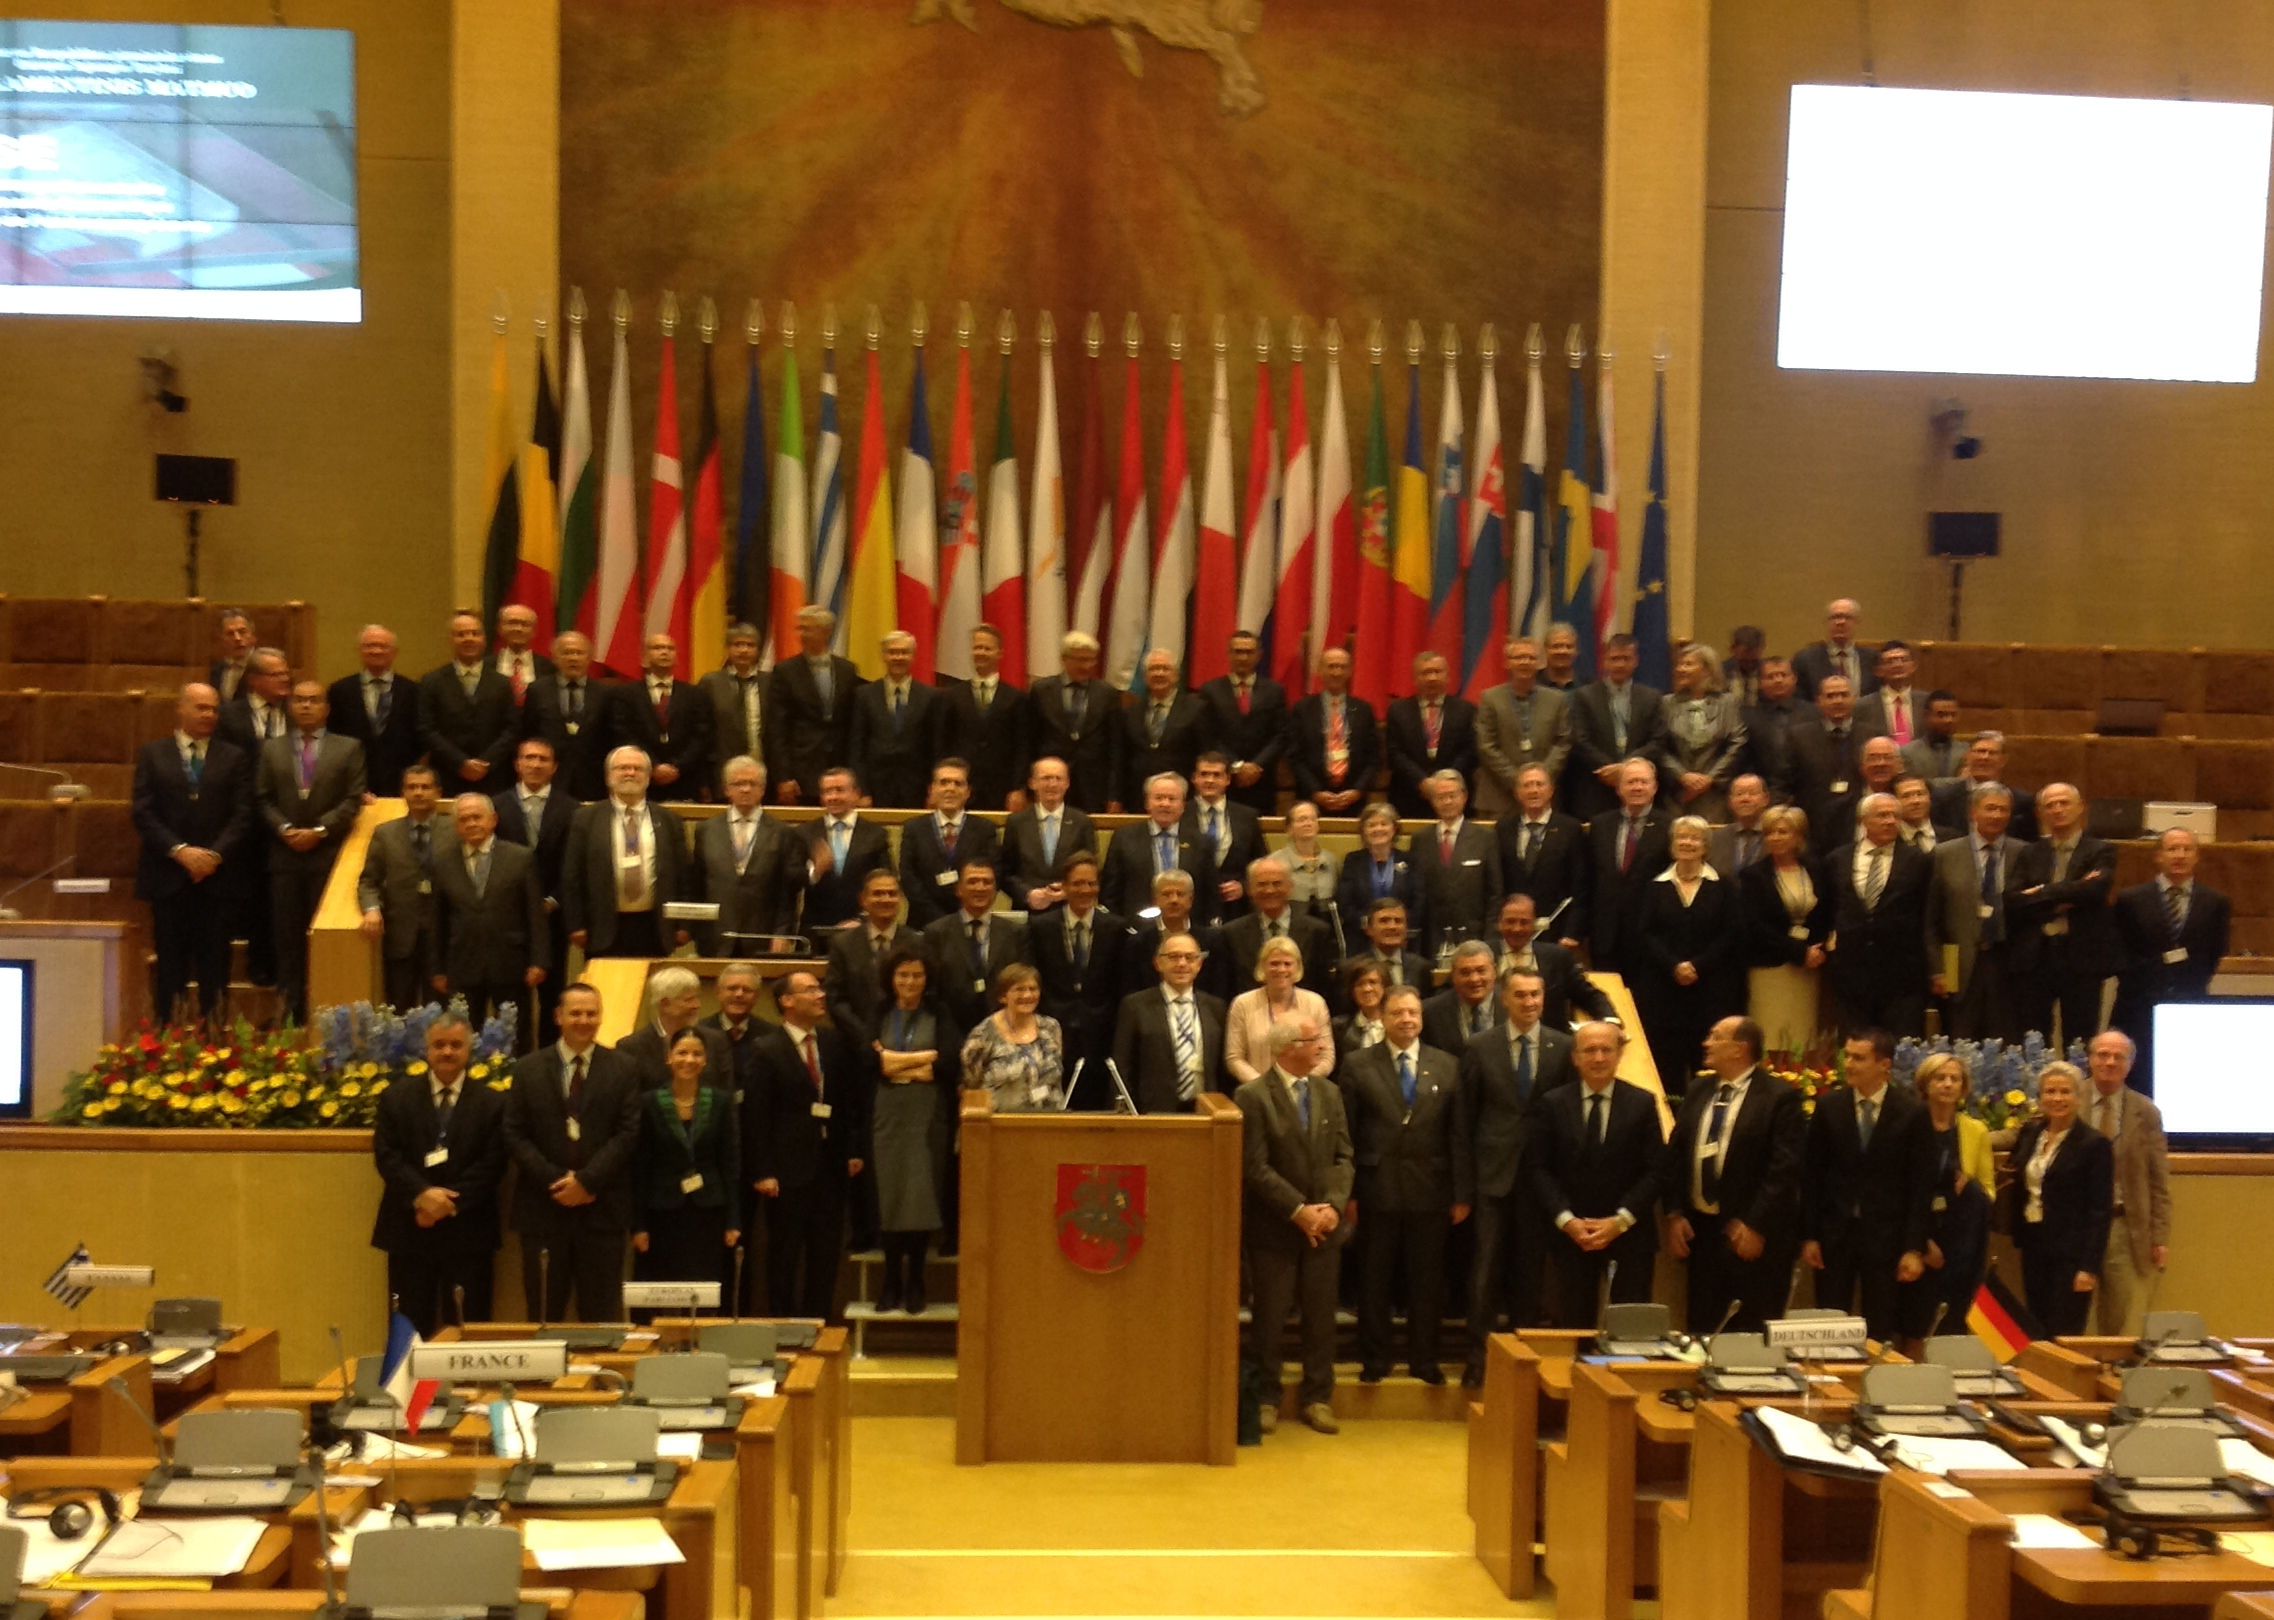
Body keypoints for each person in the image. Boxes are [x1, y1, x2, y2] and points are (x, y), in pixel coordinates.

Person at [1342, 982, 1466, 1383]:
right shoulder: (1358, 1064)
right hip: (1376, 1191)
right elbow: (1347, 1134)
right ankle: (1375, 1360)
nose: (1407, 1019)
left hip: (1432, 1192)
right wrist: (1350, 1193)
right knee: (1374, 1281)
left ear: (1422, 1017)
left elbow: (1458, 1134)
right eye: (1398, 1013)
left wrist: (1461, 1193)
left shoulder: (1448, 1064)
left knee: (1426, 1282)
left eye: (1413, 1013)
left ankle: (1424, 1360)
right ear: (1384, 1017)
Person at [1237, 1014, 1353, 1435]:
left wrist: (1332, 1208)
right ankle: (1266, 1397)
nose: (1321, 1046)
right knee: (1269, 1318)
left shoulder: (1330, 1092)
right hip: (1275, 1229)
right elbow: (1255, 1166)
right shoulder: (1252, 1096)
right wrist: (1298, 1210)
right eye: (1312, 1040)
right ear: (1288, 1048)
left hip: (1324, 1228)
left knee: (1321, 1318)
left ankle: (1318, 1398)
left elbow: (1343, 1157)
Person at [504, 981, 642, 1322]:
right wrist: (557, 1181)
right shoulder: (527, 1069)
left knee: (601, 1317)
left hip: (602, 1211)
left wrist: (587, 1182)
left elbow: (628, 1133)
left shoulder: (624, 1068)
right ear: (558, 1016)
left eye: (591, 1013)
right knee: (544, 1314)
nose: (584, 1020)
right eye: (575, 1013)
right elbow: (514, 1133)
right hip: (543, 1210)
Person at [1459, 967, 1573, 1379]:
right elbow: (1464, 1121)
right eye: (1521, 995)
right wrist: (1463, 1186)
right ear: (1504, 999)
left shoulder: (1564, 1047)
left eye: (1536, 995)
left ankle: (1523, 1361)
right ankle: (1478, 1359)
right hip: (1492, 1176)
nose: (1529, 1002)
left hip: (1542, 1180)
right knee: (1485, 1270)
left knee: (1531, 1272)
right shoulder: (1479, 1047)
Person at [1660, 1016, 1805, 1334]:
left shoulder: (1780, 1097)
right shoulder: (1699, 1089)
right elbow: (1675, 1156)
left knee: (1749, 1336)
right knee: (1703, 1331)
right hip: (1703, 1235)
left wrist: (1756, 1224)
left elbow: (1784, 1170)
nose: (1706, 1043)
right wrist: (1674, 1213)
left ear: (1740, 1049)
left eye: (1716, 1037)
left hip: (1753, 1238)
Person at [369, 1010, 507, 1336]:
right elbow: (387, 1157)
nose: (447, 1052)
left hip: (469, 1233)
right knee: (407, 1330)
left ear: (469, 1050)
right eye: (440, 1045)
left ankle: (466, 1389)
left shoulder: (492, 1103)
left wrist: (446, 1205)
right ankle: (408, 1389)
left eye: (456, 1045)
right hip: (409, 1230)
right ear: (426, 1049)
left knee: (466, 1327)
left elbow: (493, 1164)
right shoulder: (396, 1097)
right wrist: (421, 1196)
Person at [749, 969, 871, 1319]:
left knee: (825, 1255)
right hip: (785, 1176)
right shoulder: (767, 1049)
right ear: (786, 1001)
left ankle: (820, 1324)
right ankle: (783, 1327)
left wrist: (852, 1150)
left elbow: (847, 1104)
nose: (820, 996)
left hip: (830, 1169)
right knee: (784, 1256)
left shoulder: (832, 1043)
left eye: (820, 989)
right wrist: (763, 1171)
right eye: (810, 990)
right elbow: (757, 1117)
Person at [1528, 1020, 1663, 1330]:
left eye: (1606, 1050)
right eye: (1590, 1050)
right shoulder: (1552, 1104)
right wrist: (1567, 1221)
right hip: (1571, 1235)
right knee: (1574, 1328)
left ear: (1618, 1055)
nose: (1599, 1058)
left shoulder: (1642, 1103)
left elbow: (1656, 1171)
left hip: (1629, 1235)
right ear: (1575, 1057)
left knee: (1631, 1330)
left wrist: (1620, 1221)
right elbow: (1538, 1169)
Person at [1799, 1030, 1931, 1343]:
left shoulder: (1912, 1113)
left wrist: (1914, 1247)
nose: (1850, 1064)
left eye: (1859, 1058)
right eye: (1848, 1056)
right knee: (1830, 1322)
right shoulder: (1830, 1107)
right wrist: (1809, 1235)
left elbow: (1920, 1186)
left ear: (1884, 1065)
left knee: (1881, 1323)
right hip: (1835, 1233)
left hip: (1887, 1236)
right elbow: (1812, 1176)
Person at [258, 680, 366, 1023]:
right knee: (287, 939)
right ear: (291, 707)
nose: (306, 706)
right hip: (284, 856)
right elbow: (262, 798)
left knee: (322, 939)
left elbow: (353, 799)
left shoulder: (348, 748)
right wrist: (285, 830)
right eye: (300, 700)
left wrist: (320, 831)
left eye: (314, 700)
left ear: (326, 708)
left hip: (328, 856)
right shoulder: (271, 749)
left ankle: (325, 1012)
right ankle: (290, 1014)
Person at [1999, 1061, 2114, 1337]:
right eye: (2050, 1092)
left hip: (2071, 1255)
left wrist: (2089, 1267)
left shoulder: (2094, 1144)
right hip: (2034, 1245)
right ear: (2040, 1098)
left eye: (2065, 1092)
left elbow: (2100, 1211)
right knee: (2036, 1327)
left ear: (2079, 1097)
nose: (2057, 1098)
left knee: (2064, 1330)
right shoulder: (2031, 1133)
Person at [2111, 828, 2230, 1090]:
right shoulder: (2131, 900)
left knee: (2185, 1077)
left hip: (2190, 1001)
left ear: (2197, 857)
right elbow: (2120, 951)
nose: (2180, 855)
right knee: (2136, 1078)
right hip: (2138, 1005)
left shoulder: (2215, 902)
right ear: (2158, 856)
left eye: (2187, 849)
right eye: (2173, 849)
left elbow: (2214, 952)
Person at [872, 944, 956, 1313]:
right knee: (890, 1196)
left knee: (920, 1195)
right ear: (891, 979)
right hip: (887, 1114)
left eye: (917, 975)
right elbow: (873, 1064)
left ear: (927, 979)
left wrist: (896, 1062)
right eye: (903, 975)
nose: (910, 981)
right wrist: (923, 1060)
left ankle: (917, 1281)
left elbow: (949, 1061)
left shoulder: (940, 1012)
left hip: (927, 1115)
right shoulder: (877, 1013)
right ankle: (890, 1280)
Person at [1630, 816, 1742, 1096]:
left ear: (1705, 847)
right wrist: (1674, 966)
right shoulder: (1654, 886)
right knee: (1666, 1066)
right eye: (1681, 837)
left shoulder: (1723, 885)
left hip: (1711, 990)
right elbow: (1645, 933)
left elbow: (1731, 934)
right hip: (1663, 991)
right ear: (1672, 844)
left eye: (1694, 838)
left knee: (1707, 1065)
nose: (1687, 842)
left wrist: (1697, 966)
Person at [631, 1028, 743, 1299]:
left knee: (706, 1288)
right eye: (682, 1052)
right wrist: (639, 1225)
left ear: (705, 1060)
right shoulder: (649, 1103)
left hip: (709, 1211)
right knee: (661, 1289)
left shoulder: (720, 1102)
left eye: (697, 1054)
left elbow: (730, 1163)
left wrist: (733, 1221)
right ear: (669, 1058)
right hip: (662, 1211)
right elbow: (640, 1166)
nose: (689, 1060)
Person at [2008, 782, 2119, 1050]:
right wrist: (2069, 894)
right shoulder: (2029, 852)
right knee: (2033, 1040)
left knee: (2079, 1040)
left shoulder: (2101, 850)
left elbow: (2095, 892)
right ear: (2041, 813)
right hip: (2036, 958)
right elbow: (2014, 901)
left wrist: (2042, 892)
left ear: (2081, 808)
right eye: (2050, 805)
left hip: (2082, 958)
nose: (2057, 809)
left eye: (2064, 803)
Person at [1899, 1053, 1995, 1345]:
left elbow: (1989, 1192)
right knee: (1915, 1323)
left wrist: (1971, 1184)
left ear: (1964, 1088)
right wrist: (1921, 1244)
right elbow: (1898, 1189)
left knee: (1952, 1322)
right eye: (1940, 1078)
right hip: (1918, 1237)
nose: (1947, 1084)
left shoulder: (1975, 1130)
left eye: (1955, 1079)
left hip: (1960, 1242)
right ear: (1925, 1085)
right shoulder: (1909, 1125)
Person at [430, 793, 546, 1029]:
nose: (471, 823)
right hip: (462, 965)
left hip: (511, 963)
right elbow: (436, 920)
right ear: (456, 826)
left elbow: (535, 914)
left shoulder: (520, 857)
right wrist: (437, 969)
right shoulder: (442, 862)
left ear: (493, 820)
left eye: (477, 817)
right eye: (464, 819)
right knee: (464, 1033)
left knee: (515, 1034)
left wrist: (539, 961)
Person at [561, 747, 689, 960]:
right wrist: (576, 924)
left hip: (655, 927)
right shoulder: (585, 819)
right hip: (602, 928)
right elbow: (571, 877)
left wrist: (684, 924)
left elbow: (684, 876)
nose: (630, 773)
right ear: (608, 776)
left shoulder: (669, 820)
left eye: (637, 768)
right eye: (622, 768)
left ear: (648, 777)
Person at [2084, 1031, 2171, 1337]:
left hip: (2122, 1225)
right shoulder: (2068, 1099)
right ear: (2090, 1059)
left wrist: (2159, 1236)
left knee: (2116, 1318)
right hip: (2076, 1227)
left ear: (2130, 1064)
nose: (2109, 1062)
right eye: (2102, 1055)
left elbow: (2159, 1179)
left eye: (2118, 1057)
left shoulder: (2146, 1112)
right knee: (2071, 1316)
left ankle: (2109, 1377)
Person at [1824, 793, 1933, 1037]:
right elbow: (1829, 909)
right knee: (1853, 1046)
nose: (1890, 821)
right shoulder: (1837, 859)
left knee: (1901, 1048)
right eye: (1882, 815)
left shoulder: (1918, 860)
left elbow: (1927, 913)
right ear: (1864, 820)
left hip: (1902, 975)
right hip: (1850, 973)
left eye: (1895, 816)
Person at [1927, 784, 2026, 1042]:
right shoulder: (1944, 854)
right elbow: (1930, 920)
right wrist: (1937, 969)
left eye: (2003, 809)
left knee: (2007, 1041)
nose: (1996, 815)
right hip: (1959, 962)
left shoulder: (2025, 852)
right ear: (1973, 812)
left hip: (2008, 961)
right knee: (1961, 1039)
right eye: (1990, 808)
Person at [493, 736, 576, 1043]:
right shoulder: (496, 806)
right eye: (529, 758)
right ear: (517, 764)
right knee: (512, 999)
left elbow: (573, 866)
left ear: (554, 767)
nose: (535, 764)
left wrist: (554, 900)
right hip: (509, 921)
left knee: (554, 995)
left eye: (543, 759)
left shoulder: (571, 809)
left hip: (553, 917)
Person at [1029, 851, 1131, 1092]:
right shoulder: (1040, 927)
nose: (1085, 890)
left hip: (1101, 1035)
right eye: (1077, 883)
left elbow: (1122, 985)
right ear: (1063, 886)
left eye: (1091, 883)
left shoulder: (1116, 928)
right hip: (1053, 1033)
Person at [694, 756, 809, 953]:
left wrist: (782, 933)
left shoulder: (783, 833)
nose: (745, 789)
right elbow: (697, 884)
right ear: (726, 789)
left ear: (763, 789)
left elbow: (787, 892)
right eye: (738, 783)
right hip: (716, 937)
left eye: (752, 784)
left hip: (763, 937)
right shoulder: (706, 830)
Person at [1739, 805, 1831, 1051]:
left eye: (1783, 832)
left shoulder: (1816, 869)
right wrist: (1799, 952)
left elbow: (1825, 913)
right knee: (1771, 1037)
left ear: (1799, 836)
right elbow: (1755, 925)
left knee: (1802, 1039)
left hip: (1808, 970)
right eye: (1770, 833)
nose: (1775, 838)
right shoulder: (1753, 875)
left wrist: (1816, 949)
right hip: (1770, 968)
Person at [357, 765, 447, 1012]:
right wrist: (372, 909)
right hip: (401, 935)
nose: (419, 793)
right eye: (412, 787)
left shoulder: (455, 831)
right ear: (403, 793)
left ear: (438, 792)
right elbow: (368, 881)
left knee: (441, 1014)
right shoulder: (385, 834)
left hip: (443, 938)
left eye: (425, 787)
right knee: (398, 1010)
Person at [1111, 932, 1227, 1112]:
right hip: (1153, 1113)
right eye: (1173, 957)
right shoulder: (1135, 1006)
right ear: (1158, 963)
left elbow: (1221, 1067)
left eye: (1189, 958)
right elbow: (1122, 1065)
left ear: (1199, 964)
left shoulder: (1216, 1007)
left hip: (1205, 1110)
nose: (1182, 964)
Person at [921, 855, 1031, 1033]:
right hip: (950, 1032)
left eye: (987, 882)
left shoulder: (1016, 933)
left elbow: (1023, 985)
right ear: (959, 889)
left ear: (995, 890)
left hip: (1005, 1031)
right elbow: (931, 990)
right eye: (972, 881)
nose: (980, 888)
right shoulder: (936, 933)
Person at [764, 605, 862, 806]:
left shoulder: (847, 670)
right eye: (800, 629)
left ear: (826, 632)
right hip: (801, 772)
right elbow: (776, 729)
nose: (801, 634)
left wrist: (856, 775)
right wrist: (783, 777)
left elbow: (855, 726)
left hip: (840, 767)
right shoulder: (785, 671)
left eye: (807, 629)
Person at [1565, 634, 1668, 821]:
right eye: (1614, 659)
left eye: (1626, 659)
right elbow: (1580, 740)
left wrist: (1627, 769)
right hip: (1597, 787)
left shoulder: (1652, 697)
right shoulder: (1583, 696)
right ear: (1605, 661)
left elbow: (1658, 740)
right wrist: (1608, 768)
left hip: (1639, 788)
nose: (1620, 664)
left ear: (1636, 661)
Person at [418, 609, 518, 798]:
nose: (469, 639)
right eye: (461, 634)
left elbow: (511, 729)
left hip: (493, 777)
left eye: (475, 633)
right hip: (448, 775)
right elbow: (426, 729)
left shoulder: (502, 682)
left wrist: (486, 762)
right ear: (451, 640)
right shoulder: (432, 681)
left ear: (484, 639)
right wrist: (460, 763)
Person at [1583, 757, 1670, 974]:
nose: (1637, 787)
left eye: (1643, 781)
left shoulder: (1670, 826)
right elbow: (1588, 880)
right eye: (1630, 782)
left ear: (1655, 787)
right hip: (1605, 936)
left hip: (1651, 937)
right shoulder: (1600, 825)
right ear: (1619, 789)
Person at [604, 632, 712, 804]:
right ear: (644, 658)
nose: (664, 652)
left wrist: (677, 766)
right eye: (658, 648)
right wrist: (652, 766)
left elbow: (701, 736)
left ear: (676, 657)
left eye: (670, 648)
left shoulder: (695, 694)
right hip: (641, 779)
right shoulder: (625, 695)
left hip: (685, 780)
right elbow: (624, 733)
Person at [933, 622, 1030, 811]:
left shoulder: (1017, 698)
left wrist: (1019, 788)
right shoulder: (951, 696)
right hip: (960, 786)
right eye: (977, 648)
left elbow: (1023, 747)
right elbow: (941, 743)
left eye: (987, 648)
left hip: (1003, 789)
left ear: (1000, 653)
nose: (981, 653)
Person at [898, 759, 1003, 931]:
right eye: (944, 782)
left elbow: (994, 874)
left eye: (958, 783)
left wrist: (963, 915)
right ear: (932, 790)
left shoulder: (985, 829)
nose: (950, 789)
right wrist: (938, 918)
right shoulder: (914, 829)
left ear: (968, 792)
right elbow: (908, 877)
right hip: (923, 923)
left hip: (971, 922)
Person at [1474, 637, 1572, 820]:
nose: (1525, 662)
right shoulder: (1490, 698)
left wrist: (1539, 781)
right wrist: (1519, 781)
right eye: (1518, 657)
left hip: (1544, 798)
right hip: (1498, 797)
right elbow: (1486, 745)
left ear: (1539, 663)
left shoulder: (1557, 700)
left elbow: (1563, 742)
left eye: (1530, 658)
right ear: (1507, 663)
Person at [1195, 629, 1291, 815]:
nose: (1243, 657)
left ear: (1259, 655)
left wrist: (1256, 766)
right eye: (1238, 652)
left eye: (1248, 652)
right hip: (1224, 779)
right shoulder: (1210, 691)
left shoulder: (1274, 691)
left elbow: (1281, 735)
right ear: (1229, 654)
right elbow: (1208, 735)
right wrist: (1236, 766)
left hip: (1262, 781)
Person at [1102, 772, 1217, 922]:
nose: (1165, 804)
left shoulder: (1201, 842)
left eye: (1172, 799)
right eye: (1159, 798)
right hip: (1136, 928)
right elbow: (1111, 892)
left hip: (1188, 929)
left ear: (1183, 805)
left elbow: (1210, 895)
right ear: (1147, 803)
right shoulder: (1124, 838)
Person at [1496, 763, 1588, 950]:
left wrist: (1572, 932)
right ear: (1517, 792)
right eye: (1527, 785)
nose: (1534, 790)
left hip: (1557, 931)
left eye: (1539, 784)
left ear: (1551, 790)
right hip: (1513, 932)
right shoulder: (1503, 829)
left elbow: (1581, 886)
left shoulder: (1570, 829)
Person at [1026, 631, 1120, 812]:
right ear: (1064, 659)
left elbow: (1115, 747)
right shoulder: (1042, 691)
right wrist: (1029, 787)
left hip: (1094, 785)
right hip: (1051, 782)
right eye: (1080, 660)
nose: (1086, 666)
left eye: (1090, 660)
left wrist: (1114, 794)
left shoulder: (1107, 694)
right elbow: (1030, 741)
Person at [1491, 892, 1615, 1031]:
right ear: (1499, 924)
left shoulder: (1558, 958)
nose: (1517, 928)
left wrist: (1610, 1022)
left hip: (1550, 1043)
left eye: (1524, 922)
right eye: (1510, 921)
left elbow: (1589, 996)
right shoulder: (1484, 955)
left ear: (1535, 924)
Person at [849, 630, 944, 809]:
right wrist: (862, 790)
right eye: (893, 652)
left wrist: (934, 790)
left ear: (913, 656)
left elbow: (937, 748)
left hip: (918, 789)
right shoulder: (864, 695)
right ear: (884, 656)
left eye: (904, 652)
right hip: (875, 788)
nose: (898, 657)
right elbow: (857, 748)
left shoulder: (931, 696)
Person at [1785, 674, 1879, 851]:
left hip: (1859, 823)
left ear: (1854, 698)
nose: (1838, 700)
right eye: (1831, 696)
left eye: (1844, 695)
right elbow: (1784, 782)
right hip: (1813, 824)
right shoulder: (1798, 736)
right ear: (1819, 701)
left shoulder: (1872, 735)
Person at [1414, 770, 1503, 957]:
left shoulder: (1485, 838)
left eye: (1452, 796)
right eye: (1440, 797)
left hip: (1475, 936)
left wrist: (1490, 939)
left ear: (1464, 797)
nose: (1447, 802)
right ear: (1432, 801)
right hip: (1433, 940)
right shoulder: (1420, 840)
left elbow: (1495, 894)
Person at [1221, 855, 1334, 1001]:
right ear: (1249, 889)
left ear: (1290, 887)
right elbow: (1226, 989)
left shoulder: (1317, 932)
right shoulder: (1231, 934)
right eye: (1262, 884)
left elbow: (1324, 988)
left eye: (1277, 884)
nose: (1269, 890)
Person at [328, 623, 422, 798]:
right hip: (353, 783)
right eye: (370, 646)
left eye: (383, 646)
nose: (376, 651)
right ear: (359, 650)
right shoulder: (340, 691)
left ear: (394, 652)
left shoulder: (413, 691)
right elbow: (333, 737)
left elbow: (420, 738)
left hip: (401, 783)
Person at [1656, 642, 1748, 821]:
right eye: (1679, 664)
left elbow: (1738, 742)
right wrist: (1682, 775)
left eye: (1688, 664)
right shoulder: (1666, 703)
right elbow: (1658, 745)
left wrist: (1709, 779)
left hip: (1714, 797)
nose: (1680, 669)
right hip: (1676, 795)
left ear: (1707, 670)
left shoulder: (1727, 703)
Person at [824, 869, 915, 1050]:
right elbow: (836, 999)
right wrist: (866, 1037)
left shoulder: (916, 942)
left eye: (892, 894)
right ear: (863, 900)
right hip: (855, 1044)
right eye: (878, 894)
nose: (886, 899)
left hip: (905, 1043)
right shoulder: (843, 944)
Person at [1226, 935, 1335, 1085]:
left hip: (1305, 1091)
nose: (1281, 969)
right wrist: (1262, 1088)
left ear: (1298, 967)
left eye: (1287, 964)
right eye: (1274, 964)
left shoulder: (1315, 1003)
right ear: (1262, 966)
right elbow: (1234, 1058)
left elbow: (1327, 1056)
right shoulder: (1242, 1004)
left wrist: (1300, 1084)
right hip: (1257, 1095)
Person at [960, 959, 1065, 1114]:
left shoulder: (1051, 1028)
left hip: (1049, 1125)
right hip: (1001, 1128)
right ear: (1003, 996)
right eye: (1019, 989)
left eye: (1033, 988)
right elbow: (971, 1088)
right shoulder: (982, 1036)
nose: (1027, 995)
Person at [1386, 651, 1479, 818]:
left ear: (1448, 677)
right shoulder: (1398, 711)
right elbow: (1394, 754)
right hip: (1410, 796)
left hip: (1454, 797)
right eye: (1426, 672)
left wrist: (1444, 782)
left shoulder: (1466, 710)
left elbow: (1469, 752)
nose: (1432, 677)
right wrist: (1422, 782)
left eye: (1437, 672)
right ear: (1415, 678)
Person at [521, 631, 610, 803]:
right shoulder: (538, 690)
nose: (573, 658)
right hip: (548, 777)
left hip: (593, 780)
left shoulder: (604, 693)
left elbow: (609, 738)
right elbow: (529, 733)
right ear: (554, 658)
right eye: (567, 652)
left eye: (579, 653)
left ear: (589, 658)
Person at [802, 766, 894, 933]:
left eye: (839, 790)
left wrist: (863, 919)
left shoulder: (876, 835)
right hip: (816, 928)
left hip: (863, 929)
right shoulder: (805, 833)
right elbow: (791, 882)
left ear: (856, 793)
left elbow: (887, 881)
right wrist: (815, 872)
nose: (833, 797)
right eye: (827, 792)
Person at [614, 966, 733, 1094]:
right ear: (665, 1004)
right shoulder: (631, 1047)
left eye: (697, 998)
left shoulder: (716, 1041)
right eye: (689, 1000)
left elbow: (727, 1095)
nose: (697, 1005)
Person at [1001, 757, 1095, 913]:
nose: (1052, 784)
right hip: (1028, 911)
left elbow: (1092, 869)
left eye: (1058, 778)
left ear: (1067, 783)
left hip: (1069, 910)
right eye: (1046, 778)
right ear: (1032, 783)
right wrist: (1027, 894)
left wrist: (1068, 891)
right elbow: (1005, 872)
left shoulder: (1082, 822)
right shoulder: (1016, 823)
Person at [1289, 648, 1377, 815]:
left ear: (1350, 671)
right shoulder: (1303, 709)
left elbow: (1373, 758)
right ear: (1320, 670)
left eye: (1342, 667)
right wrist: (1315, 791)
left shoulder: (1364, 710)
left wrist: (1357, 790)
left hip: (1355, 800)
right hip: (1312, 799)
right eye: (1331, 666)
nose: (1336, 672)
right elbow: (1295, 756)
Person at [1335, 802, 1427, 954]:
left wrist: (1397, 927)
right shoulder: (1353, 861)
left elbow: (1419, 902)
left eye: (1384, 824)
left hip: (1404, 942)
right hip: (1362, 942)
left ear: (1394, 828)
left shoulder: (1411, 861)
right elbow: (1345, 903)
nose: (1378, 829)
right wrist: (1371, 926)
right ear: (1363, 831)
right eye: (1371, 825)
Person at [1120, 648, 1207, 805]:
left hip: (1184, 797)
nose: (1159, 673)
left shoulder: (1196, 709)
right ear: (1145, 677)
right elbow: (1122, 757)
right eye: (1153, 669)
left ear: (1176, 675)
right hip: (1139, 797)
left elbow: (1204, 754)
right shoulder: (1131, 712)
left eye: (1165, 669)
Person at [1185, 754, 1266, 919]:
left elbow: (1260, 862)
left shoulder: (1247, 816)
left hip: (1235, 908)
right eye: (1204, 774)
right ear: (1194, 778)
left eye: (1216, 775)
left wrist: (1244, 886)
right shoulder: (1181, 813)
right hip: (1192, 905)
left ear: (1228, 779)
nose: (1210, 780)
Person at [1929, 732, 2038, 843]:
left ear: (2003, 760)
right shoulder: (1943, 798)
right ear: (1967, 756)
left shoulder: (2022, 802)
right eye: (1980, 751)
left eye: (1992, 753)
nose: (1985, 757)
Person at [698, 621, 768, 780]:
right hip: (721, 772)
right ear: (728, 649)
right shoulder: (711, 683)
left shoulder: (771, 682)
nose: (743, 650)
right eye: (737, 645)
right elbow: (702, 731)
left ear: (758, 650)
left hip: (763, 770)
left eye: (750, 645)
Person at [1738, 656, 1814, 798]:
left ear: (1794, 679)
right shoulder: (1747, 717)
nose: (1778, 680)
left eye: (1783, 675)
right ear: (1761, 683)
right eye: (1771, 676)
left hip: (1808, 790)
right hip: (1763, 792)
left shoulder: (1813, 713)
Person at [1422, 941, 1501, 1055]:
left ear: (1494, 971)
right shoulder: (1430, 1012)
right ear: (1453, 975)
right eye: (1465, 972)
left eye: (1481, 971)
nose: (1474, 979)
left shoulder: (1512, 1006)